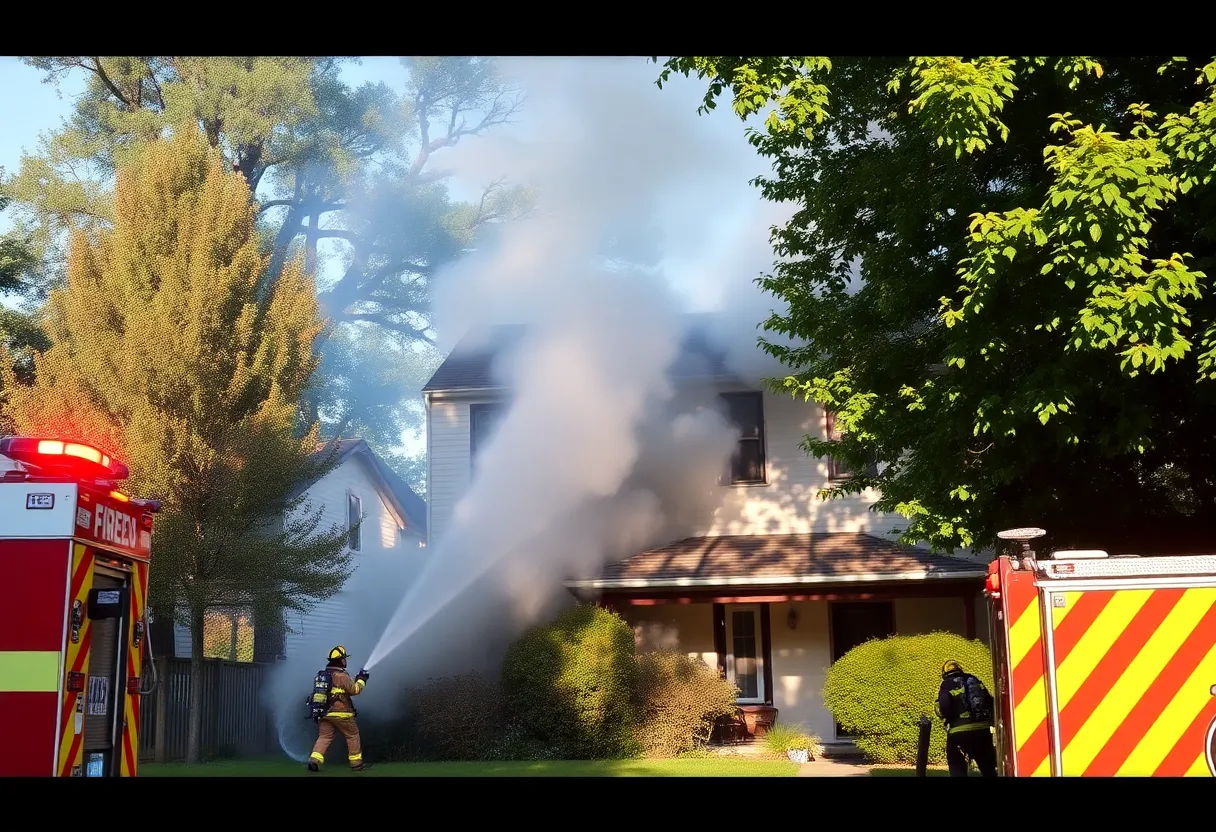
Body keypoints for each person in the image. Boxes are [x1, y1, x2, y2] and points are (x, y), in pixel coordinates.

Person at [308, 645, 370, 772]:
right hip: (342, 713)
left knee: (324, 737)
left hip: (324, 713)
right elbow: (355, 690)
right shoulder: (342, 676)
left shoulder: (323, 675)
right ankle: (356, 764)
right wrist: (362, 679)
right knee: (352, 735)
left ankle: (314, 761)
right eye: (344, 659)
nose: (346, 661)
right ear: (341, 660)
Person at [935, 660, 997, 777]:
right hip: (982, 731)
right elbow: (990, 701)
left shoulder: (946, 685)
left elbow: (944, 709)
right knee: (988, 768)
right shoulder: (974, 680)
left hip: (959, 733)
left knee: (957, 766)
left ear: (944, 673)